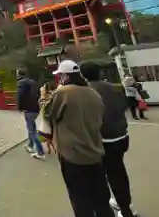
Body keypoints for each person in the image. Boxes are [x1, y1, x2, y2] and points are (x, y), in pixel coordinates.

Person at [51, 60, 115, 217]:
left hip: (71, 152)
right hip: (94, 149)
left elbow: (51, 114)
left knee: (79, 197)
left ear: (65, 76)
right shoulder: (93, 94)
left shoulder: (63, 93)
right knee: (100, 195)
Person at [80, 61, 138, 217]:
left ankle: (118, 208)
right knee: (118, 170)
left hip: (103, 140)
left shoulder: (86, 92)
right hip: (121, 136)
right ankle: (126, 205)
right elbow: (124, 106)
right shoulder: (114, 87)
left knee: (104, 175)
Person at [16, 68, 44, 159]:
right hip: (36, 108)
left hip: (28, 110)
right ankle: (30, 145)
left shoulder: (21, 83)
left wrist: (20, 107)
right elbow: (39, 93)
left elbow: (20, 96)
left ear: (19, 75)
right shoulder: (32, 82)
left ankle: (40, 152)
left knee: (32, 130)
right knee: (31, 126)